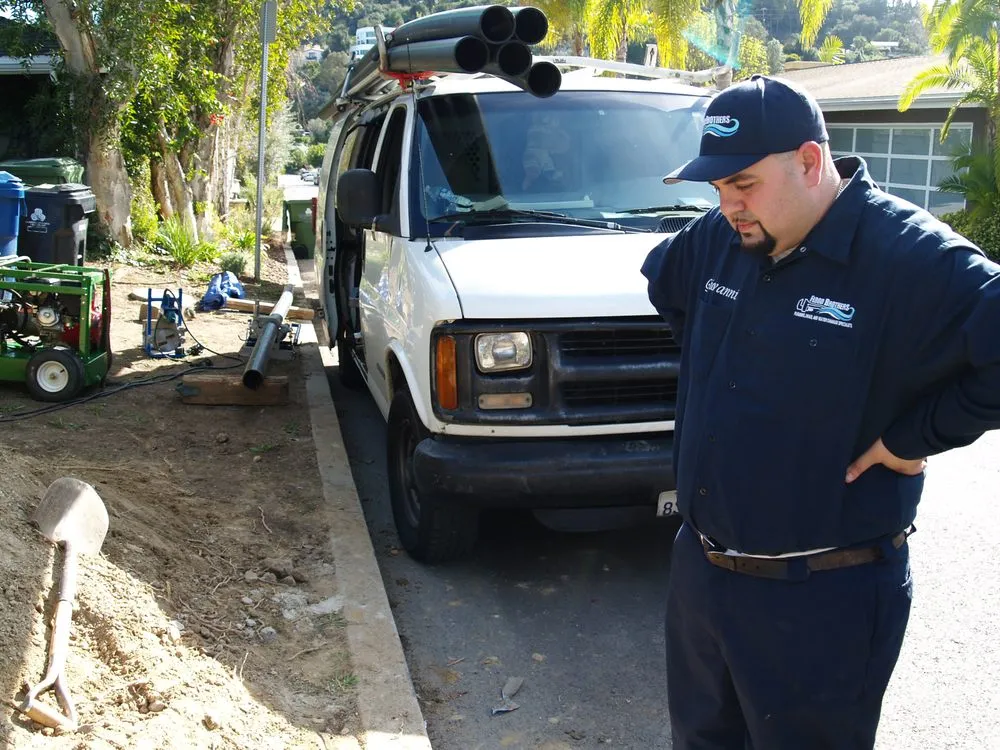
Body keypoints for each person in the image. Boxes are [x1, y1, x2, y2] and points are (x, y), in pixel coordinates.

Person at [640, 74, 1000, 749]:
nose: (728, 207)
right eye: (716, 189)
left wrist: (916, 433)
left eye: (743, 185)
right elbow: (670, 286)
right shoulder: (719, 238)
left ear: (810, 162)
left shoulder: (909, 258)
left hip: (821, 601)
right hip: (702, 580)